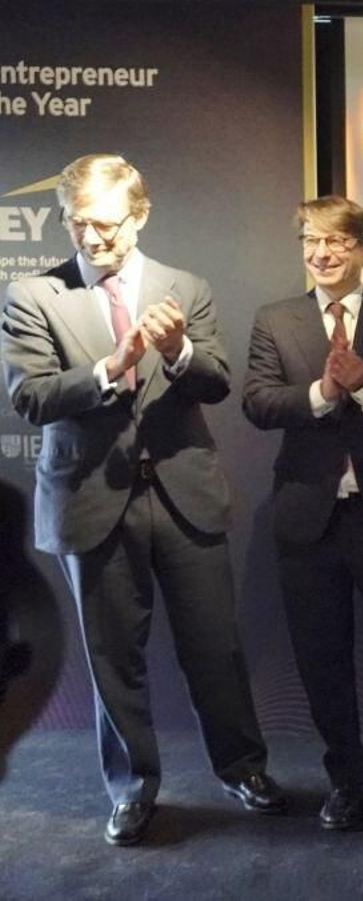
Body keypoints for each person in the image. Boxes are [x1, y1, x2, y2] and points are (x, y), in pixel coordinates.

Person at [0, 154, 284, 845]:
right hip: (91, 498)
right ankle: (132, 788)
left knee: (214, 648)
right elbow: (29, 396)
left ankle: (242, 766)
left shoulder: (185, 287)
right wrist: (110, 367)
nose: (92, 239)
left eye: (105, 224)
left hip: (184, 493)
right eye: (78, 224)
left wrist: (180, 349)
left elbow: (216, 382)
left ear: (141, 215)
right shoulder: (34, 295)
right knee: (112, 657)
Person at [241, 196, 363, 830]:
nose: (320, 253)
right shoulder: (276, 320)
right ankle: (346, 776)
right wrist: (323, 393)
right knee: (322, 657)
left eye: (334, 241)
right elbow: (258, 403)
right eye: (310, 240)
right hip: (308, 516)